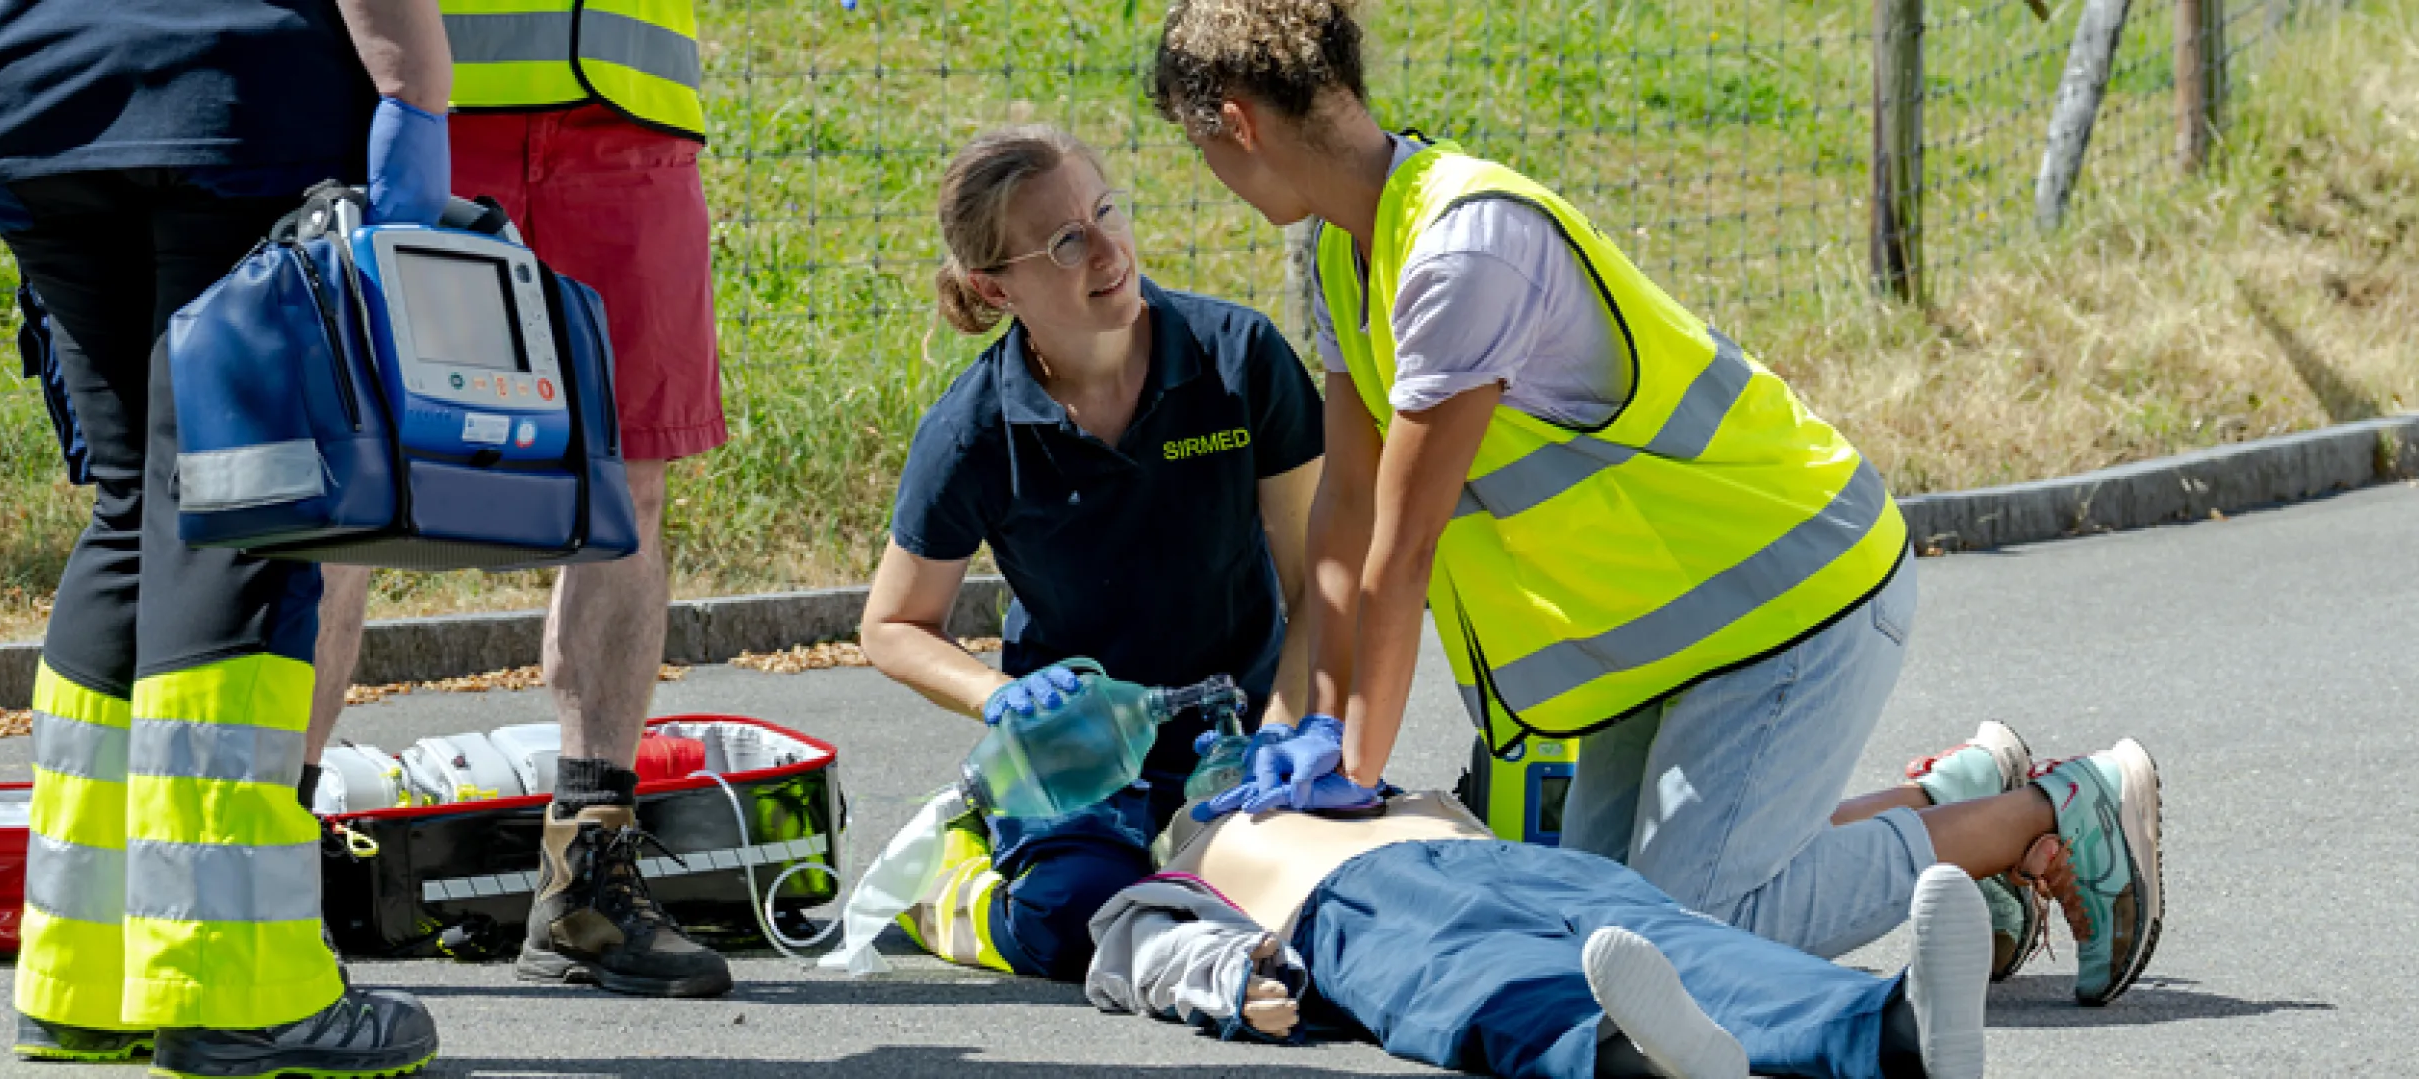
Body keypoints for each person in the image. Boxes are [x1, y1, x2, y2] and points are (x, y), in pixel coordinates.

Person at [1147, 0, 2164, 1007]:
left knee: (1692, 945)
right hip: (1676, 639)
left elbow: (1400, 553)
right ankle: (1952, 800)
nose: (1213, 175)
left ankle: (2055, 809)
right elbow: (1345, 518)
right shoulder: (1344, 253)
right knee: (1595, 931)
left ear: (1236, 121)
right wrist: (1314, 724)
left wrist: (1358, 767)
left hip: (1794, 588)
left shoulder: (1462, 254)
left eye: (1201, 148)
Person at [0, 0, 452, 1073]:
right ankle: (240, 995)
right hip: (232, 98)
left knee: (136, 507)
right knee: (241, 514)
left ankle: (82, 981)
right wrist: (416, 100)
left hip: (27, 91)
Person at [303, 0, 735, 999]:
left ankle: (587, 878)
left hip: (633, 114)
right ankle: (274, 871)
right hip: (421, 99)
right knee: (349, 495)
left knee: (626, 489)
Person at [854, 125, 1328, 980]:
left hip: (1236, 737)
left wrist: (1285, 734)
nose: (1109, 250)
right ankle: (953, 881)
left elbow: (1320, 588)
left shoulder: (1242, 361)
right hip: (1074, 760)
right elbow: (892, 625)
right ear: (992, 286)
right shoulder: (973, 430)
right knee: (1071, 925)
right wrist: (998, 697)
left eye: (1106, 211)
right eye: (1066, 241)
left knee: (1298, 910)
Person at [1087, 789, 1993, 1079]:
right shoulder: (1179, 868)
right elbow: (1137, 958)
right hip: (1347, 911)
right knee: (1491, 985)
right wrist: (1227, 984)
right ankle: (1640, 1054)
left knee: (1676, 938)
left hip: (1505, 861)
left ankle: (1895, 1027)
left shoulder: (1349, 779)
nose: (1232, 764)